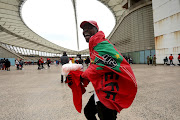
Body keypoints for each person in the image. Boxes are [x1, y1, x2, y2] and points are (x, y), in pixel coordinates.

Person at [66, 20, 137, 120]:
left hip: (109, 91)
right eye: (84, 29)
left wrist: (82, 76)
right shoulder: (95, 46)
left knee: (105, 116)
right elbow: (95, 66)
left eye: (89, 27)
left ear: (96, 30)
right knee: (88, 112)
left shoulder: (102, 44)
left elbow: (99, 66)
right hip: (101, 88)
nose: (85, 30)